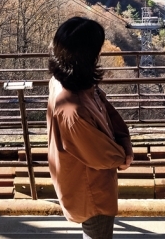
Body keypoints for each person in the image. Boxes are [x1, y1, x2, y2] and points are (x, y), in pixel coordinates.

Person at [46, 17, 133, 239]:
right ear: (88, 56)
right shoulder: (73, 109)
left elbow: (104, 106)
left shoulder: (66, 81)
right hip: (91, 188)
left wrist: (123, 140)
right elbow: (99, 155)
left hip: (84, 180)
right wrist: (123, 156)